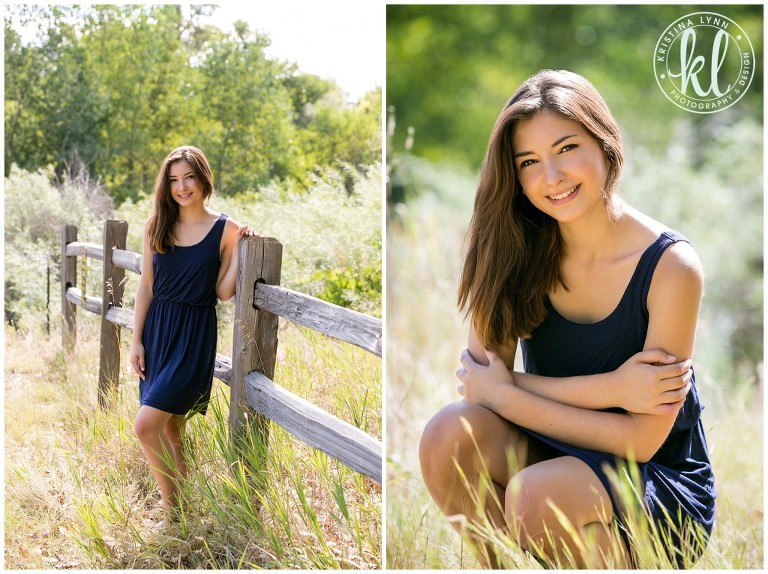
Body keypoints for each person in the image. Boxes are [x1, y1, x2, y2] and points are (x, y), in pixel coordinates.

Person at [419, 70, 716, 568]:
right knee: (448, 433)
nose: (551, 177)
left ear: (605, 143)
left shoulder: (671, 266)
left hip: (654, 484)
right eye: (529, 162)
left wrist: (507, 391)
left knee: (536, 494)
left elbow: (639, 442)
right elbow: (479, 390)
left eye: (566, 148)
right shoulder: (511, 246)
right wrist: (613, 390)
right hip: (552, 446)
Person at [129, 145, 257, 525]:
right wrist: (135, 340)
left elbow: (223, 291)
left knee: (145, 425)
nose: (182, 187)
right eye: (174, 180)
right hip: (157, 333)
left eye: (189, 178)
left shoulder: (227, 229)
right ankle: (185, 508)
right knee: (170, 426)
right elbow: (146, 286)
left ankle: (172, 512)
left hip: (193, 336)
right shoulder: (157, 225)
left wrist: (239, 250)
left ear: (204, 179)